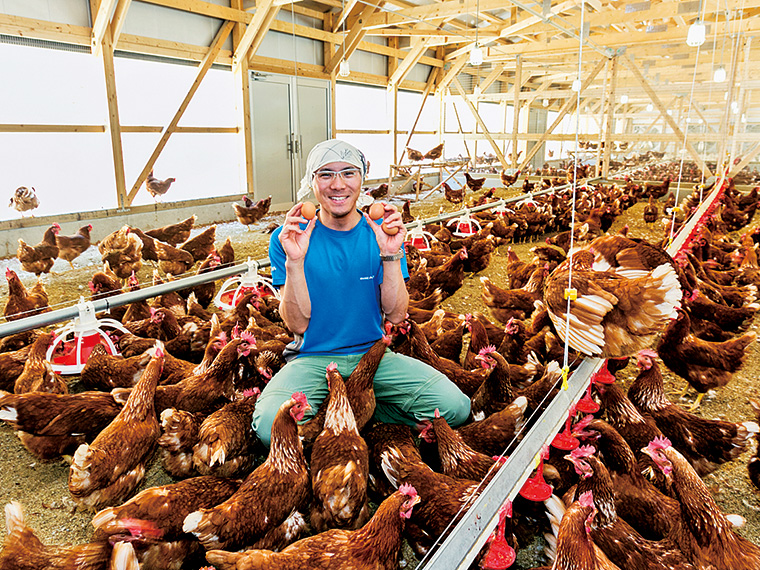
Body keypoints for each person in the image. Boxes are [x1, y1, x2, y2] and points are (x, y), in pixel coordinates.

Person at [251, 139, 471, 446]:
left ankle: (351, 411)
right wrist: (295, 261)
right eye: (326, 174)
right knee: (268, 428)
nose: (338, 184)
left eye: (348, 173)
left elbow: (395, 314)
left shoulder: (381, 231)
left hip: (374, 355)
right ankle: (354, 409)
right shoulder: (289, 236)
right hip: (312, 356)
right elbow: (297, 325)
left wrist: (391, 254)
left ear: (361, 180)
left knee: (456, 407)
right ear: (312, 183)